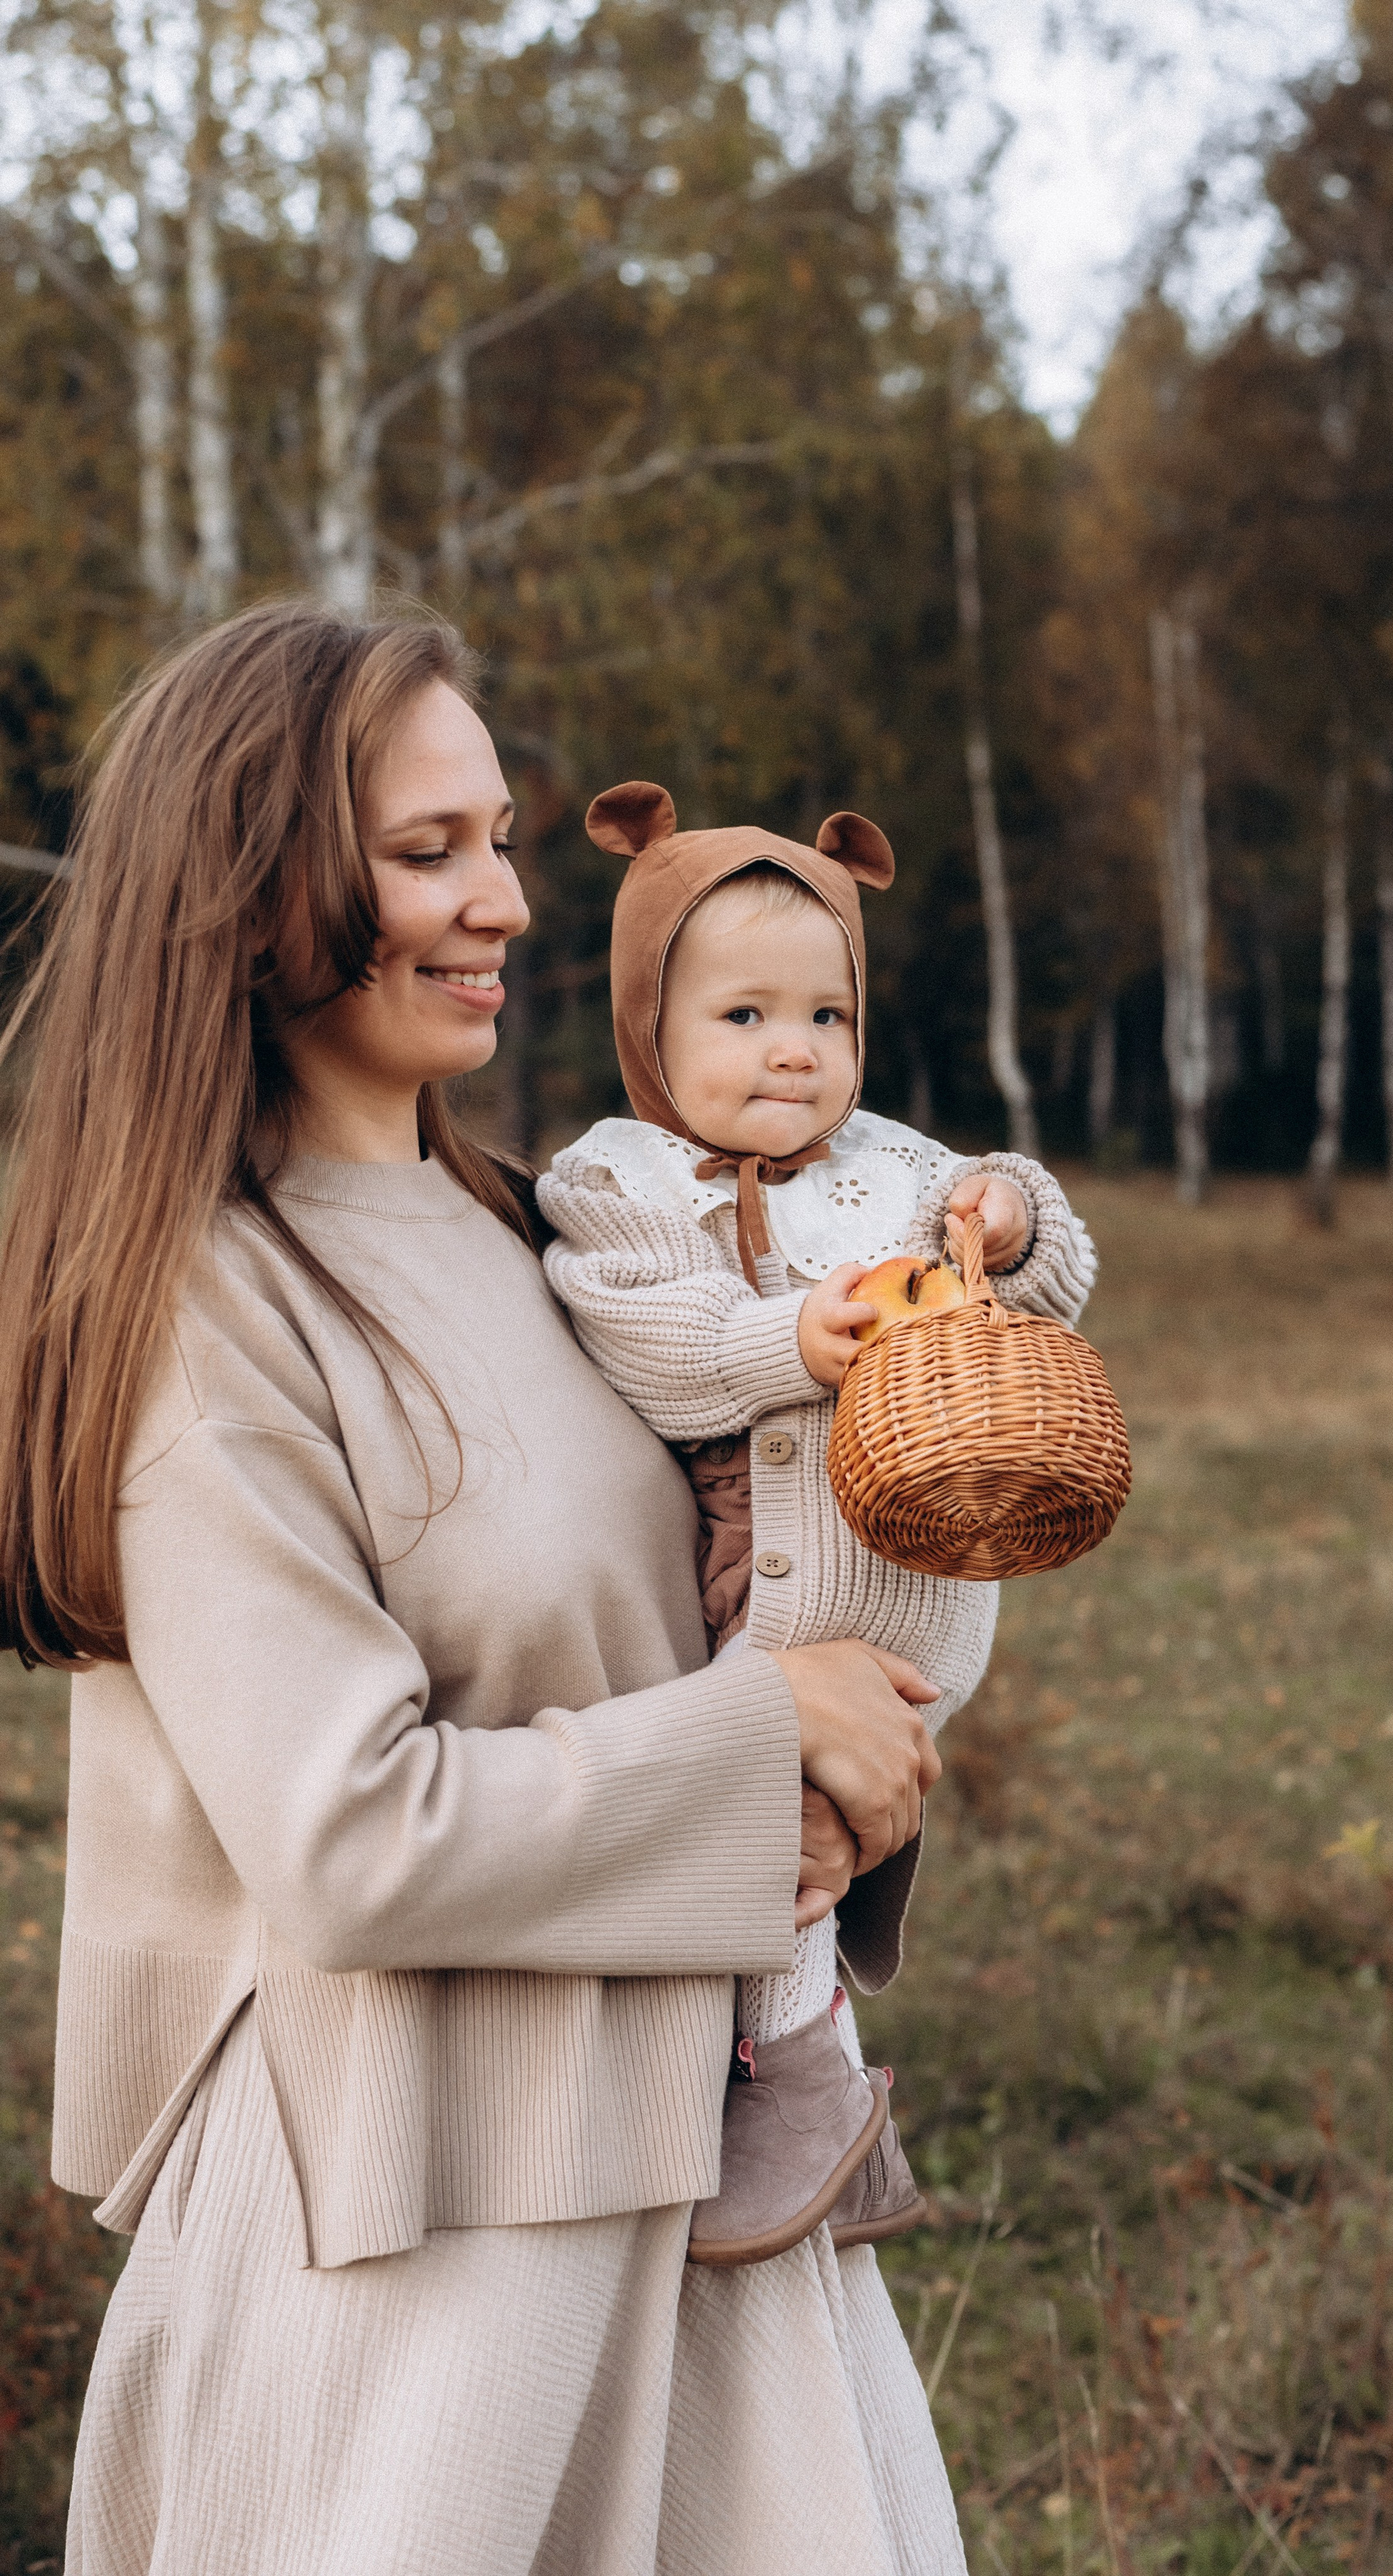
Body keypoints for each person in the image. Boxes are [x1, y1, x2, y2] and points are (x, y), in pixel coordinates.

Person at [0, 601, 968, 2574]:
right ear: (251, 881)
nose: (510, 902)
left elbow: (723, 1587)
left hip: (700, 2189)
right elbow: (350, 1840)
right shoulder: (210, 1303)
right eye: (427, 850)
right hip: (426, 2262)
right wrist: (768, 1734)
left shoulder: (542, 1223)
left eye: (504, 840)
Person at [536, 781, 1096, 2264]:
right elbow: (640, 1341)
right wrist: (790, 1343)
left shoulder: (900, 1171)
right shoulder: (616, 1177)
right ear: (648, 1026)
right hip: (754, 1577)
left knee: (822, 1821)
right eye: (739, 1018)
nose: (792, 1050)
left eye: (825, 1018)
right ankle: (804, 2082)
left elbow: (1045, 1280)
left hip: (913, 1573)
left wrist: (1011, 1220)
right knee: (781, 1841)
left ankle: (799, 2092)